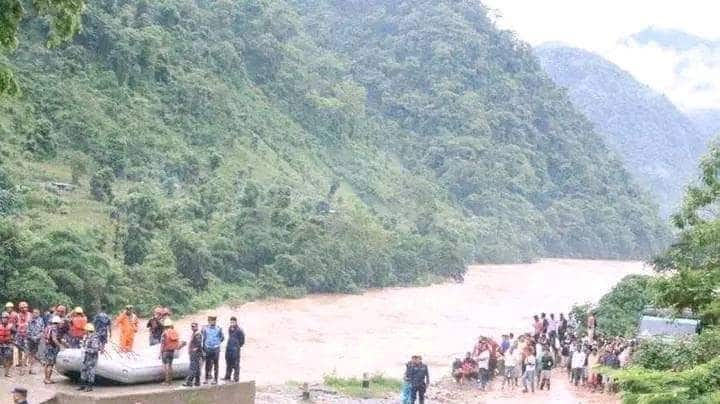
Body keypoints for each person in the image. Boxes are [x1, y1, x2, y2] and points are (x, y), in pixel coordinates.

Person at [160, 318, 185, 385]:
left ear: (165, 326)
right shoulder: (175, 332)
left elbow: (162, 344)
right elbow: (177, 342)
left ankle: (166, 381)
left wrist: (160, 353)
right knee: (170, 366)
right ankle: (170, 381)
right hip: (172, 351)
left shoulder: (164, 333)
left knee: (166, 367)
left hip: (165, 351)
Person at [78, 323, 102, 392]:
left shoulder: (94, 338)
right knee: (83, 370)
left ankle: (89, 387)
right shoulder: (87, 336)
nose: (84, 331)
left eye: (85, 330)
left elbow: (96, 349)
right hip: (86, 357)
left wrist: (86, 350)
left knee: (90, 372)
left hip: (91, 358)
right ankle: (82, 385)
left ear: (88, 330)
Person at [201, 315, 224, 385]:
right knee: (207, 364)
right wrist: (204, 347)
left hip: (216, 349)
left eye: (214, 320)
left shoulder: (219, 329)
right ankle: (206, 378)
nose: (213, 322)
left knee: (216, 364)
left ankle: (215, 379)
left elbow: (222, 338)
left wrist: (217, 343)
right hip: (208, 348)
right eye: (211, 320)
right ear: (209, 321)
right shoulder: (205, 329)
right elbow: (203, 338)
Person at [43, 315, 66, 384]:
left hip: (47, 346)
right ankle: (47, 379)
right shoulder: (55, 328)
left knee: (47, 363)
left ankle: (46, 378)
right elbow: (54, 338)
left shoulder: (48, 327)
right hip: (52, 347)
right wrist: (60, 346)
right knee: (50, 364)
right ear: (57, 323)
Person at [224, 316, 245, 382]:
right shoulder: (230, 328)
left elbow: (242, 341)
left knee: (236, 364)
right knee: (228, 363)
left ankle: (236, 378)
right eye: (231, 322)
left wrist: (237, 346)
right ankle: (227, 376)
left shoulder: (239, 330)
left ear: (236, 322)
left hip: (235, 349)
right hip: (229, 348)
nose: (232, 323)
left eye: (233, 322)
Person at [183, 322, 203, 387]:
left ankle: (189, 381)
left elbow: (198, 343)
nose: (192, 327)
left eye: (194, 326)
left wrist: (194, 349)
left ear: (197, 326)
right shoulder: (194, 333)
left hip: (195, 353)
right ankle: (197, 382)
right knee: (197, 367)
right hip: (195, 353)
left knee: (193, 367)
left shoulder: (197, 333)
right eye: (192, 326)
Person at [26, 308, 44, 375]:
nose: (35, 314)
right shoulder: (29, 320)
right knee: (27, 353)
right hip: (30, 340)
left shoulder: (41, 320)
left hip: (37, 340)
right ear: (32, 313)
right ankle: (23, 368)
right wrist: (32, 337)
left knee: (34, 354)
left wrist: (38, 337)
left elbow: (42, 330)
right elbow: (27, 330)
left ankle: (31, 369)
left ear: (39, 313)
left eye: (37, 312)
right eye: (34, 312)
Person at [15, 302, 31, 372]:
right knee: (19, 349)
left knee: (27, 349)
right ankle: (19, 362)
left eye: (25, 307)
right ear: (19, 308)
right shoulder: (17, 315)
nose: (24, 309)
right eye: (22, 307)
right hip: (19, 335)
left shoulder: (30, 315)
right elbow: (15, 324)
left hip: (27, 335)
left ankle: (25, 362)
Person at [0, 312, 15, 377]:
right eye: (3, 318)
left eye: (6, 318)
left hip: (8, 344)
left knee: (8, 358)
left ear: (8, 319)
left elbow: (15, 332)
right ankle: (4, 367)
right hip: (0, 344)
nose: (4, 319)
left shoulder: (11, 326)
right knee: (2, 359)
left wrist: (13, 337)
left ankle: (7, 372)